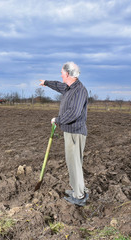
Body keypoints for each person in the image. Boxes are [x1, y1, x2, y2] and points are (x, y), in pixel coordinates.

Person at [39, 61, 89, 206]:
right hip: (69, 132)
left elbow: (74, 113)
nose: (61, 75)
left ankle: (79, 196)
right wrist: (46, 83)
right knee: (72, 163)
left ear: (67, 74)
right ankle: (76, 190)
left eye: (62, 73)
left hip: (75, 133)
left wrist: (58, 120)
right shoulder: (69, 88)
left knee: (75, 164)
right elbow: (58, 86)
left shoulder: (79, 90)